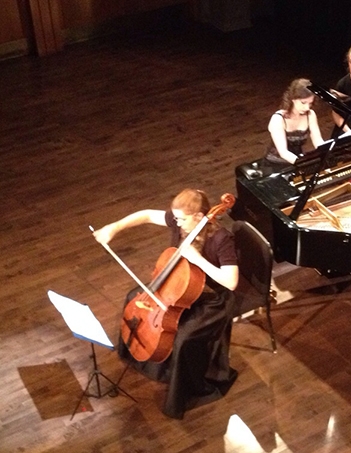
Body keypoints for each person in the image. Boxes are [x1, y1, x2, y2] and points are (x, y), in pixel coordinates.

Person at [92, 188, 239, 419]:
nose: (176, 223)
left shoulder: (221, 239)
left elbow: (231, 282)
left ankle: (185, 389)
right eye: (175, 218)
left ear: (199, 216)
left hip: (213, 298)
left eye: (181, 219)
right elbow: (147, 215)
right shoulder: (180, 220)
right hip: (179, 286)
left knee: (184, 337)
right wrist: (114, 227)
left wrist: (198, 259)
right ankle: (141, 354)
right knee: (133, 297)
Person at [264, 78, 325, 166]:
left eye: (310, 103)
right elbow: (283, 152)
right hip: (276, 164)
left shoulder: (310, 115)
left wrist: (325, 154)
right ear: (293, 99)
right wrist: (303, 164)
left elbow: (318, 140)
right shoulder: (278, 119)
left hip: (298, 159)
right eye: (303, 103)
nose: (307, 108)